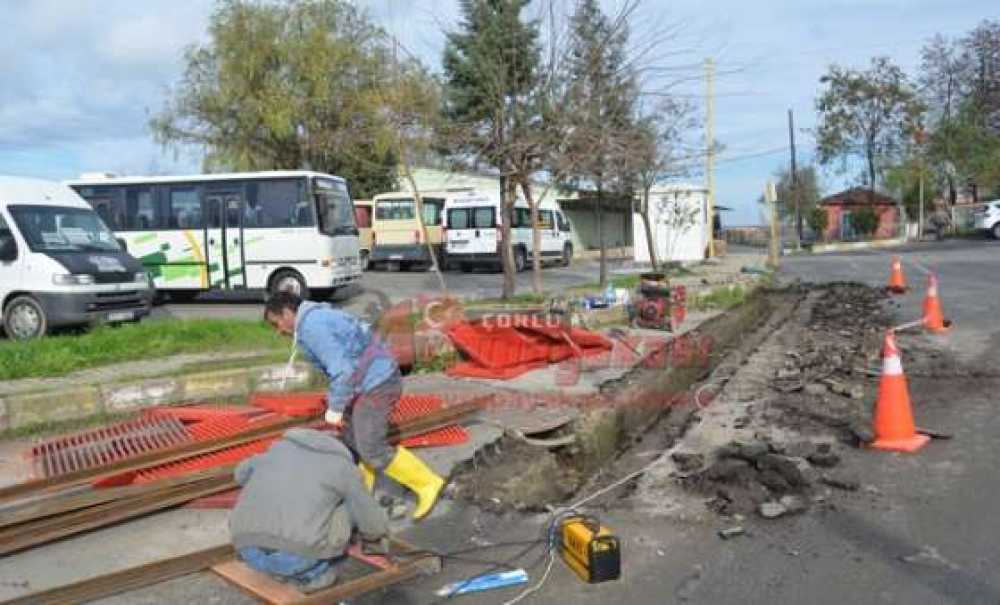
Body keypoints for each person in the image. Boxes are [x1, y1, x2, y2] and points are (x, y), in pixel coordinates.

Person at [263, 291, 445, 519]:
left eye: (276, 323)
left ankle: (428, 483)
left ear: (288, 312)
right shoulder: (316, 316)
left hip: (376, 384)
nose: (278, 330)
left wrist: (336, 408)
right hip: (367, 381)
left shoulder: (312, 326)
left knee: (371, 447)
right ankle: (363, 495)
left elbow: (342, 371)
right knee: (354, 441)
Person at [230, 428, 388, 593]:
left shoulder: (276, 451)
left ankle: (271, 564)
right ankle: (311, 576)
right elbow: (369, 516)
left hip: (247, 550)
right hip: (296, 560)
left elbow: (239, 475)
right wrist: (374, 540)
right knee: (352, 503)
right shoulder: (344, 467)